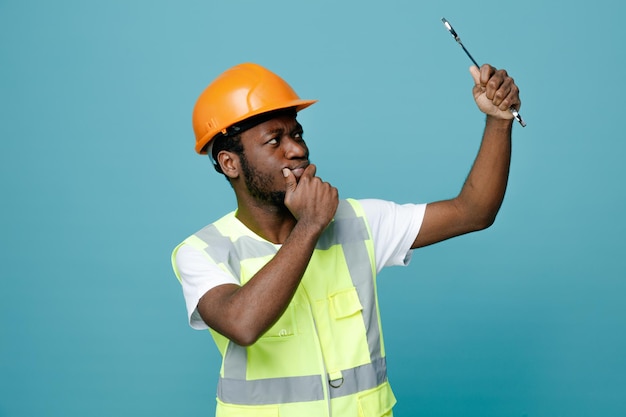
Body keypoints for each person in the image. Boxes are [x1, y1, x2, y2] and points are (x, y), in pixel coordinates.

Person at [171, 62, 520, 417]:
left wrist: (498, 120)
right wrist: (309, 226)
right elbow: (242, 324)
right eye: (275, 141)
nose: (296, 150)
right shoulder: (202, 251)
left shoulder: (357, 223)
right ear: (230, 163)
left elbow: (474, 211)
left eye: (297, 135)